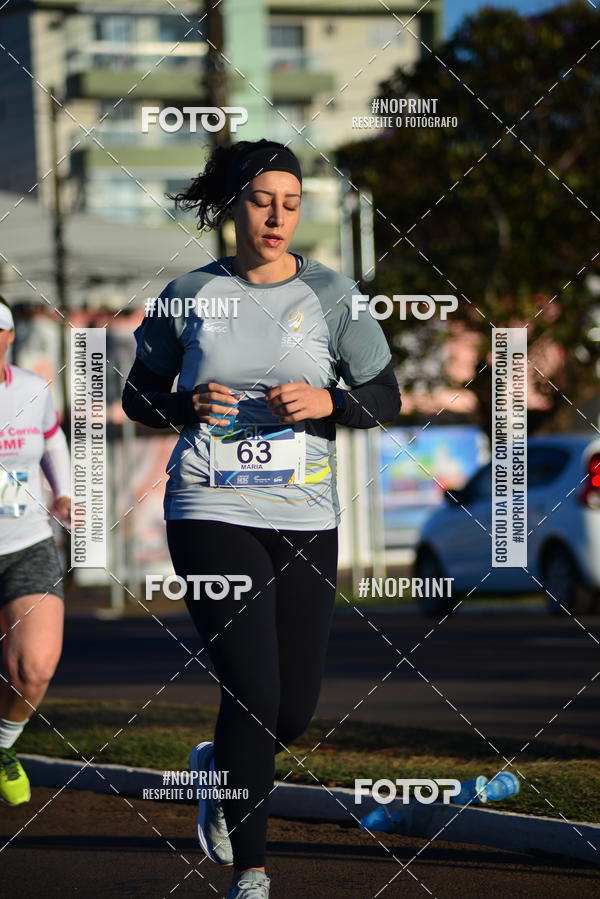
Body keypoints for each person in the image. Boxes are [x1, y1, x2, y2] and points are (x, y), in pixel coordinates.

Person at [122, 139, 400, 898]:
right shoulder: (188, 292)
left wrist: (330, 402)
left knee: (295, 708)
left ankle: (219, 768)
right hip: (210, 505)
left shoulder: (335, 296)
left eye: (291, 201)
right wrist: (185, 403)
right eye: (261, 199)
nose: (277, 216)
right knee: (252, 688)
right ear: (233, 205)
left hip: (306, 512)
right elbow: (138, 399)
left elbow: (387, 397)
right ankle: (253, 870)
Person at [0, 297, 71, 805]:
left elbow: (51, 441)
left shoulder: (30, 388)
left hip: (25, 542)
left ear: (7, 337)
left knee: (35, 668)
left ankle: (2, 747)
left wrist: (64, 491)